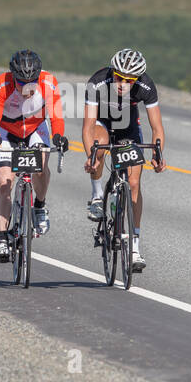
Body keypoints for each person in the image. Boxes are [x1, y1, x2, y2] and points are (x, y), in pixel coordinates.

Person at [82, 48, 165, 271]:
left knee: (135, 183)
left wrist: (158, 154)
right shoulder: (98, 81)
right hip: (102, 124)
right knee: (98, 146)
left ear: (137, 79)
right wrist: (91, 156)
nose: (122, 84)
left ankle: (135, 248)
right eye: (119, 77)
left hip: (128, 128)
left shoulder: (146, 86)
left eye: (129, 80)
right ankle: (97, 194)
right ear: (112, 72)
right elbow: (88, 126)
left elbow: (156, 127)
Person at [0, 50, 69, 261]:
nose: (26, 87)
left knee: (40, 166)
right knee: (4, 181)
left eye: (31, 81)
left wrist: (59, 135)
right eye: (21, 82)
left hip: (35, 128)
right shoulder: (1, 83)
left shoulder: (48, 82)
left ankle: (39, 206)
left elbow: (56, 115)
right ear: (13, 76)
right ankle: (2, 238)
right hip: (7, 131)